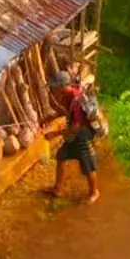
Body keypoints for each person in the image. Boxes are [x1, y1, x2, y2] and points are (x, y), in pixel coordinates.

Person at [50, 75, 102, 206]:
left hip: (83, 134)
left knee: (87, 164)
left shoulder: (77, 100)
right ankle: (57, 189)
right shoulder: (68, 96)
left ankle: (94, 192)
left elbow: (76, 126)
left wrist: (55, 134)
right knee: (61, 155)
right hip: (75, 133)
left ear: (61, 87)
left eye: (54, 87)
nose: (53, 90)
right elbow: (66, 114)